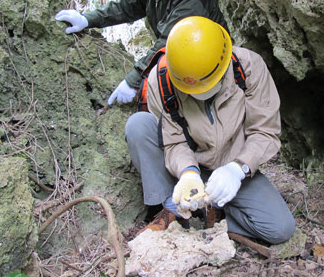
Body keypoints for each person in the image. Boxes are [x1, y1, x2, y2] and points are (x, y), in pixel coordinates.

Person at [125, 16, 295, 245]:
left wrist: (237, 169)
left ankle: (212, 214)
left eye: (207, 82)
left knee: (280, 229)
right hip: (187, 168)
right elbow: (173, 142)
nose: (198, 91)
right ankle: (171, 208)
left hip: (233, 168)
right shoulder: (161, 81)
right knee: (138, 125)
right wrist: (188, 173)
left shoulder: (248, 67)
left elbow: (264, 131)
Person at [54, 0, 228, 105]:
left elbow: (167, 44)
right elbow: (127, 6)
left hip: (214, 71)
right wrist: (87, 19)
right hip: (188, 66)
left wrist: (133, 81)